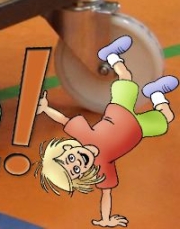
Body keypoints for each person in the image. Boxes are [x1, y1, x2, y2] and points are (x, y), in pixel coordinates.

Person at [36, 34, 175, 227]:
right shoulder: (102, 168)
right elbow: (106, 194)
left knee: (126, 78)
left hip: (119, 109)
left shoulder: (84, 135)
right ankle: (156, 93)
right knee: (166, 118)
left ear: (68, 149)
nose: (77, 162)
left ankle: (111, 56)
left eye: (69, 159)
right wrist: (106, 219)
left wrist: (45, 108)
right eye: (75, 170)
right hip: (138, 129)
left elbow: (63, 120)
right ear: (82, 175)